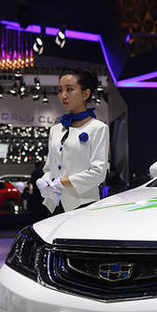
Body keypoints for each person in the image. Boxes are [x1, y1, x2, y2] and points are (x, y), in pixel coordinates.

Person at [36, 68, 108, 214]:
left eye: (69, 89)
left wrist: (62, 182)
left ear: (85, 94)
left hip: (84, 205)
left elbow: (98, 173)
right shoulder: (55, 130)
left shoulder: (98, 128)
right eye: (60, 90)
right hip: (54, 204)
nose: (63, 95)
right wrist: (43, 180)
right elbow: (49, 168)